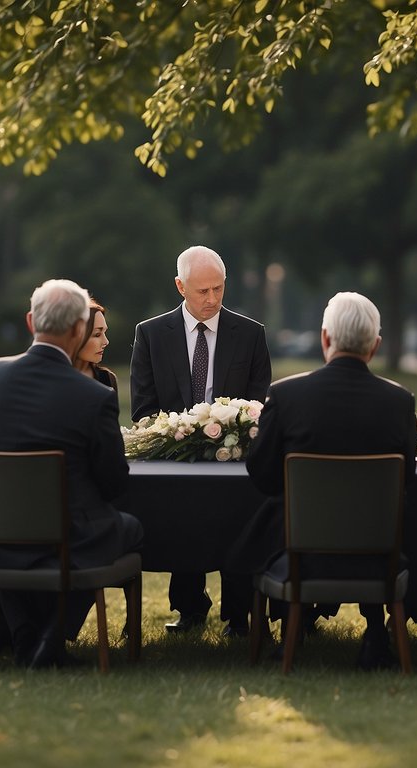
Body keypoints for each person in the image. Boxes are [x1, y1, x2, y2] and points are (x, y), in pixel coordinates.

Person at [0, 279, 144, 668]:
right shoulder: (93, 397)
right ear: (79, 329)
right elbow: (113, 482)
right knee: (127, 528)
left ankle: (25, 633)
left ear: (30, 321)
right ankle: (49, 636)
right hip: (69, 541)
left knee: (16, 536)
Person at [235, 291, 417, 670]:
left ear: (324, 338)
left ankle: (286, 631)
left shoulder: (287, 395)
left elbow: (263, 475)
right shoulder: (399, 402)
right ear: (376, 345)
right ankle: (377, 630)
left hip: (301, 555)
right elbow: (407, 478)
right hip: (378, 554)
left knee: (268, 521)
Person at [129, 245, 272, 636]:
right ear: (180, 286)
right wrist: (182, 436)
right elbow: (143, 411)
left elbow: (261, 404)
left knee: (241, 519)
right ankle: (190, 607)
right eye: (201, 291)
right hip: (174, 460)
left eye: (218, 289)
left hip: (237, 459)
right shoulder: (152, 334)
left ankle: (238, 617)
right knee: (182, 516)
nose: (211, 299)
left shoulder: (250, 334)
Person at [74, 297, 117, 390]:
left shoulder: (107, 379)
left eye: (104, 332)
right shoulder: (45, 379)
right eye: (97, 334)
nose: (106, 342)